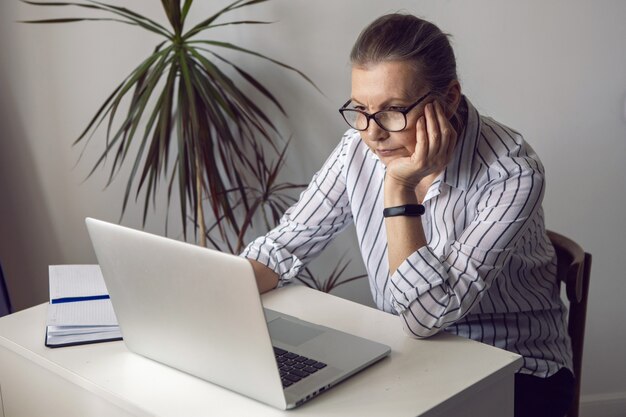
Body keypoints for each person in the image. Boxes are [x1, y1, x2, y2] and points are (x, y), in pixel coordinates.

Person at [242, 13, 574, 417]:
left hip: (515, 365)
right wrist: (219, 295)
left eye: (393, 110)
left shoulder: (512, 173)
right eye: (360, 109)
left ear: (449, 98)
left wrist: (399, 188)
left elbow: (425, 316)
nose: (373, 133)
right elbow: (281, 247)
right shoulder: (358, 147)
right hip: (408, 352)